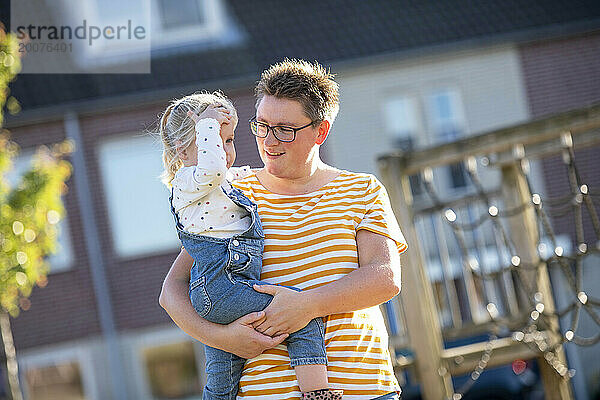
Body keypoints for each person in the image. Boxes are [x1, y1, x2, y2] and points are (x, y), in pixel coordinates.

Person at [160, 59, 407, 400]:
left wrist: (306, 306)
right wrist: (223, 339)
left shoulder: (362, 190)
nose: (269, 141)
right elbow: (172, 289)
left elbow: (385, 278)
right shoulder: (233, 194)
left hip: (364, 390)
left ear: (320, 131)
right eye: (261, 126)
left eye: (284, 130)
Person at [158, 91, 342, 400]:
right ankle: (317, 393)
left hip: (222, 288)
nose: (226, 152)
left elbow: (231, 175)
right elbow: (215, 170)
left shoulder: (220, 184)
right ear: (183, 150)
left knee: (222, 375)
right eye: (215, 143)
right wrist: (207, 126)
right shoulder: (188, 180)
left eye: (229, 141)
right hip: (222, 286)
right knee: (299, 314)